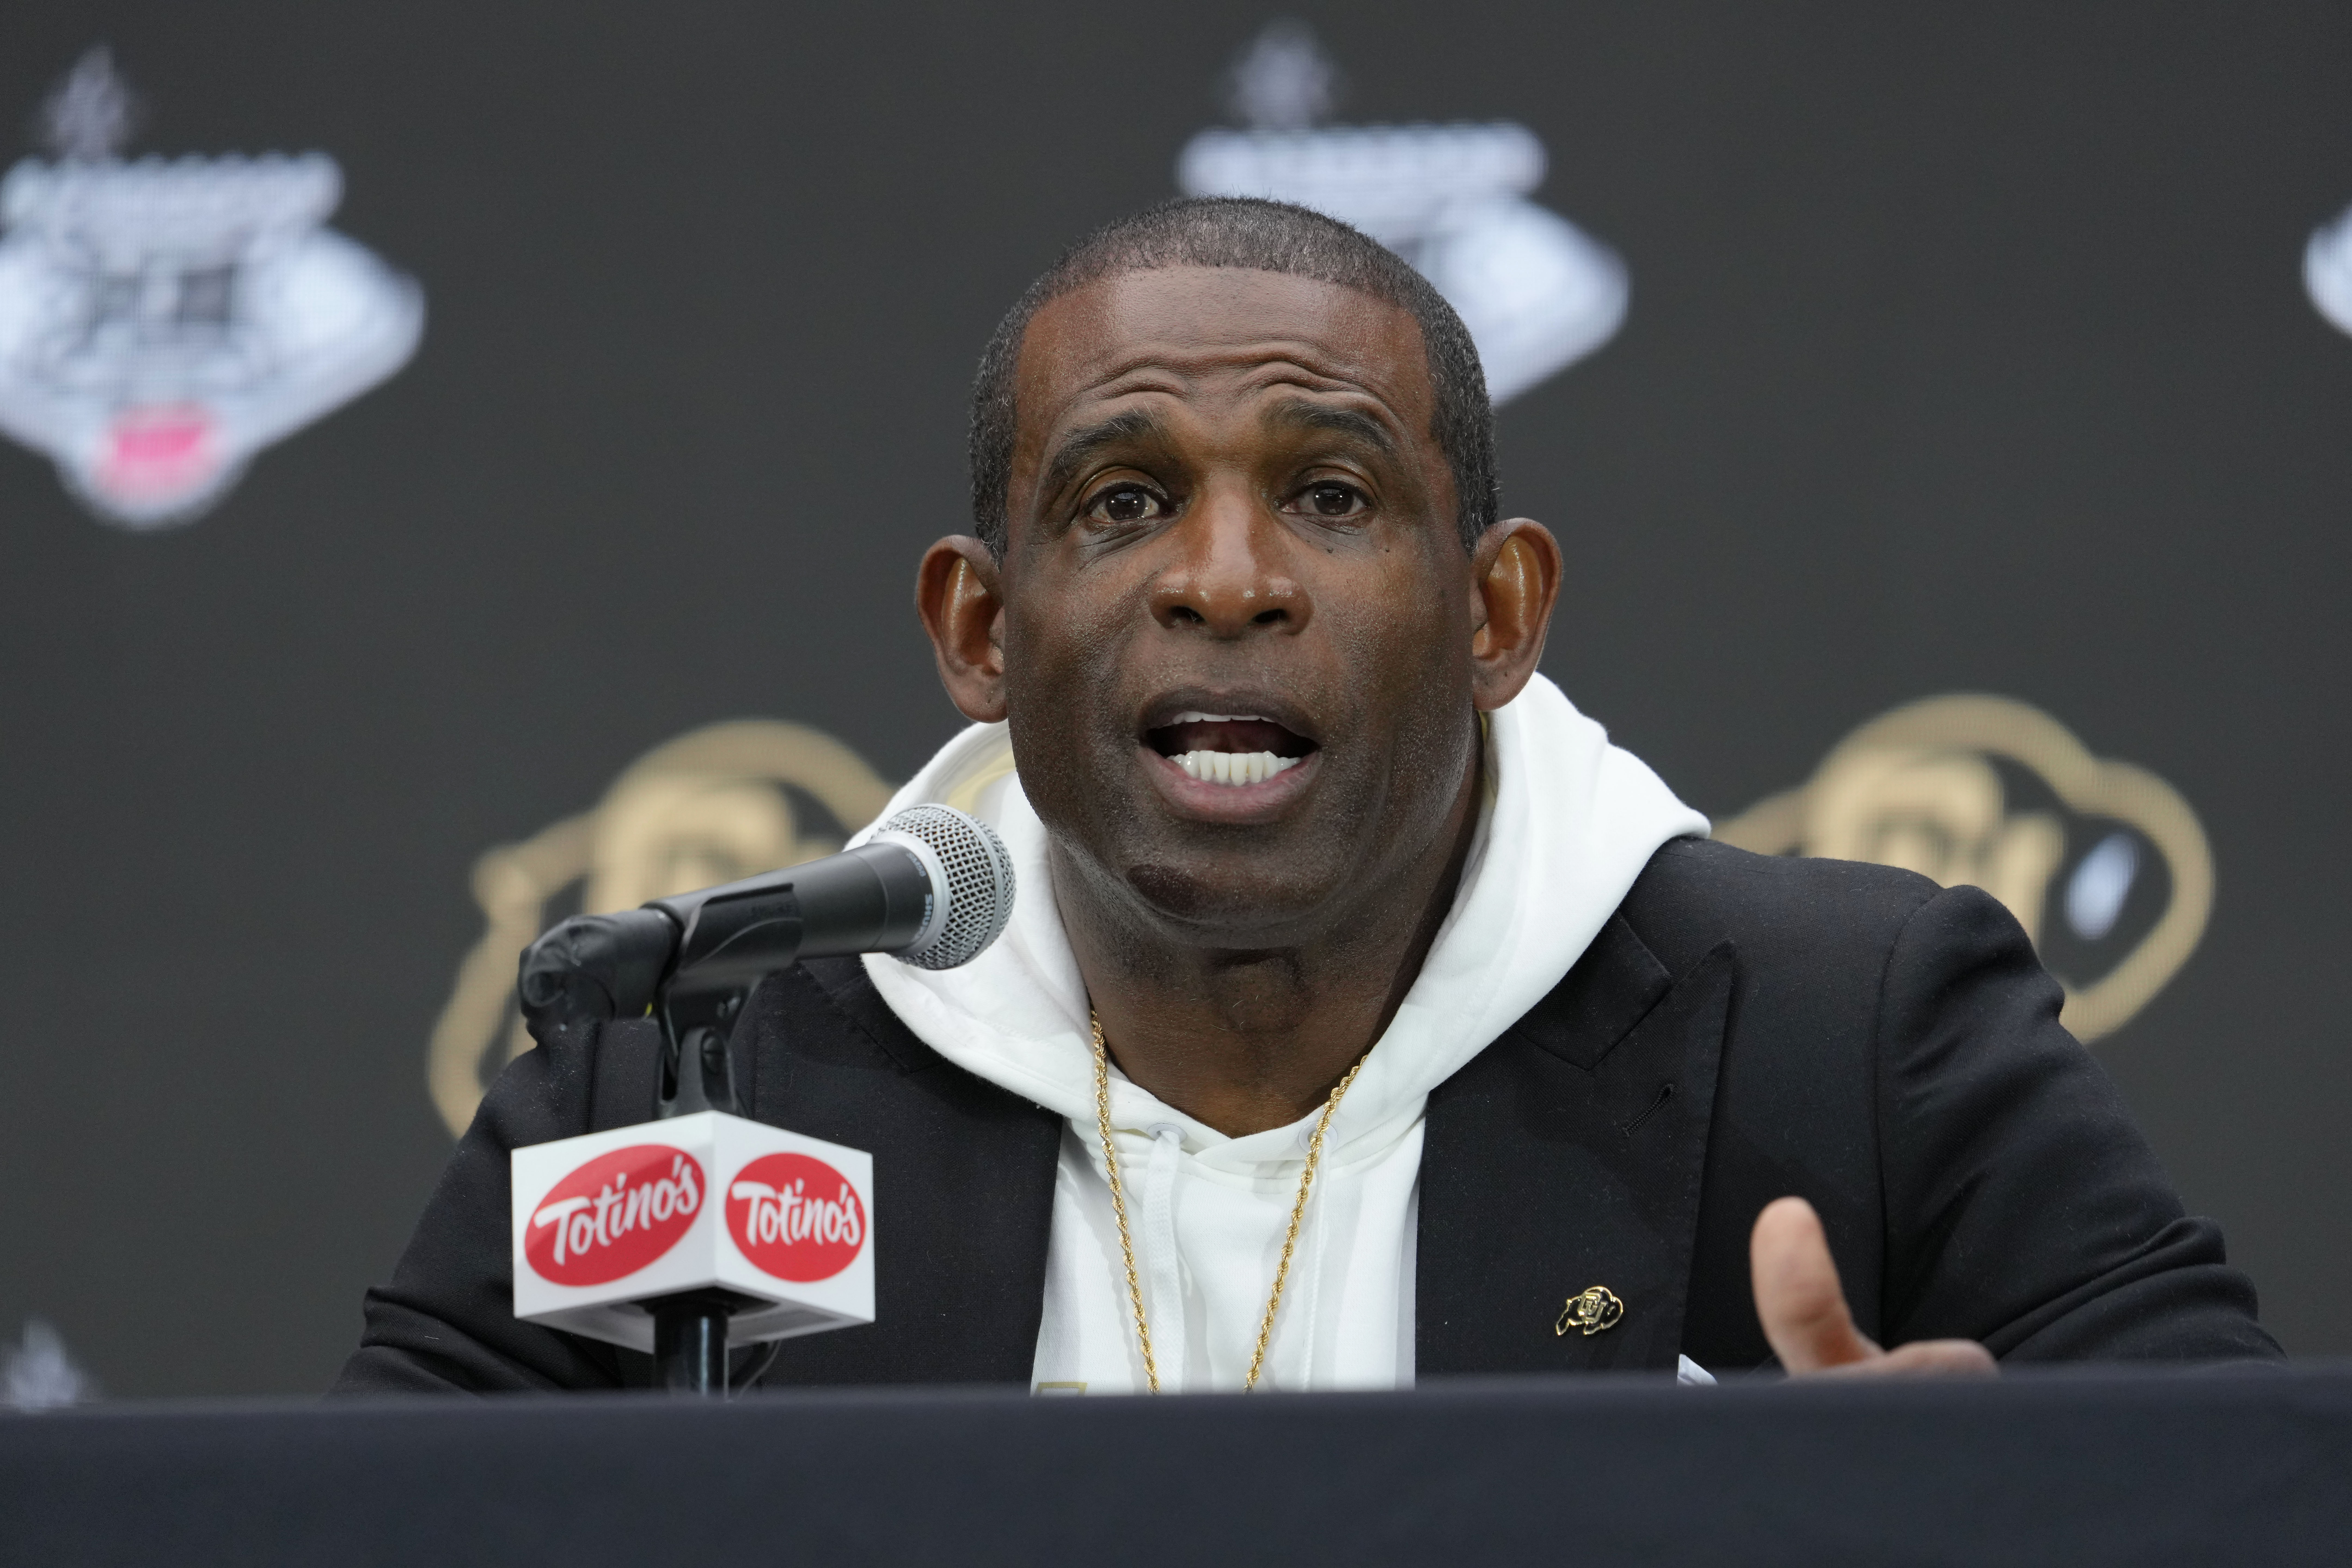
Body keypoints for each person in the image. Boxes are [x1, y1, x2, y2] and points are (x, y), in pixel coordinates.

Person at [337, 198, 2276, 1396]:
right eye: (1124, 501)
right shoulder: (708, 1066)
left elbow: (2247, 1494)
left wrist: (2025, 1515)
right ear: (980, 630)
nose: (1230, 578)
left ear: (1501, 607)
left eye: (1332, 499)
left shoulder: (1846, 1034)